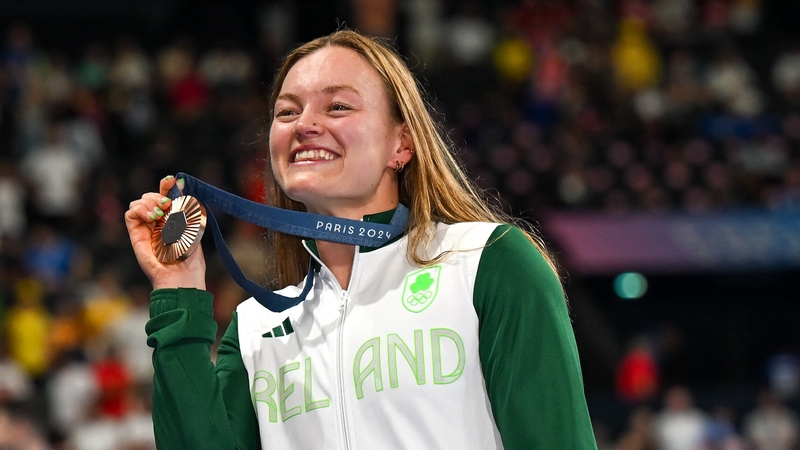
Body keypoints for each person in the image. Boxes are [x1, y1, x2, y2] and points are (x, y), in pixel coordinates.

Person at [125, 29, 596, 449]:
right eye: (286, 111)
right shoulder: (255, 329)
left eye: (338, 106)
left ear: (402, 144)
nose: (304, 124)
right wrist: (178, 290)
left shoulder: (487, 264)